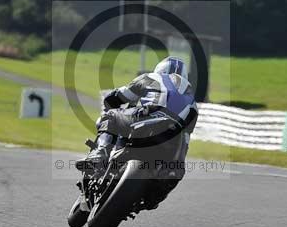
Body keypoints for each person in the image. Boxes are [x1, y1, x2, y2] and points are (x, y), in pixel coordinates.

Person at [76, 56, 199, 207]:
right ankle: (155, 195)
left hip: (148, 119)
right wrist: (177, 164)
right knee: (174, 172)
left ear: (160, 69)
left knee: (109, 117)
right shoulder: (191, 98)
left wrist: (112, 103)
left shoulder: (151, 77)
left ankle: (98, 155)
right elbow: (186, 138)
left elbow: (118, 96)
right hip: (174, 138)